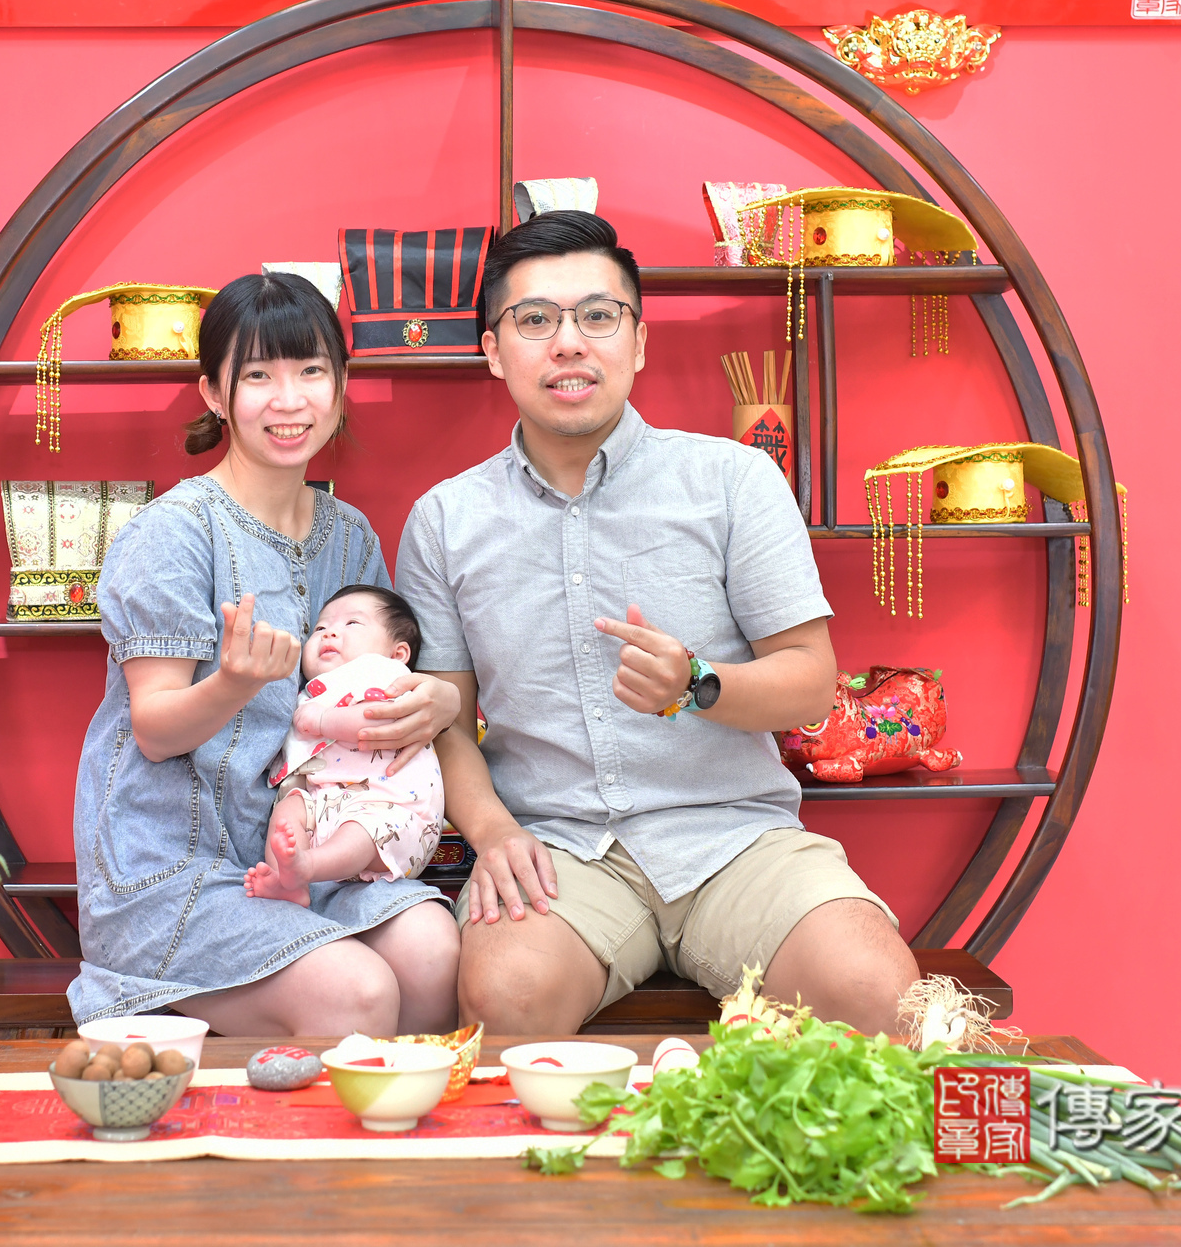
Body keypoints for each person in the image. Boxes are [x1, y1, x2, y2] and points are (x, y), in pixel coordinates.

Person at [394, 211, 921, 1035]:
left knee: (878, 990)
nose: (569, 343)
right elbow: (446, 722)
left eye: (598, 316)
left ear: (638, 341)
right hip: (558, 849)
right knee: (506, 995)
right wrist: (493, 834)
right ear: (494, 351)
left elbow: (810, 681)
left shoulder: (735, 480)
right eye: (535, 321)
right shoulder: (444, 520)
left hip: (736, 837)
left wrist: (696, 684)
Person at [70, 272, 462, 1035]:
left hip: (311, 847)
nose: (289, 400)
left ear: (340, 385)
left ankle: (398, 1118)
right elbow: (154, 729)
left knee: (431, 950)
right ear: (215, 395)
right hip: (172, 869)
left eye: (311, 370)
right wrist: (233, 683)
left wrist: (439, 701)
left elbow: (381, 695)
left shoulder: (350, 535)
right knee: (358, 993)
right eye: (257, 376)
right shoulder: (173, 533)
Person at [247, 584, 447, 905]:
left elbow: (382, 721)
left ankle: (306, 867)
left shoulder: (387, 676)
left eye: (352, 623)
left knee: (361, 826)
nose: (329, 633)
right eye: (320, 628)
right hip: (325, 805)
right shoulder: (310, 695)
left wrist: (323, 721)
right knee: (287, 811)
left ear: (397, 653)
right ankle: (289, 881)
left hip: (392, 811)